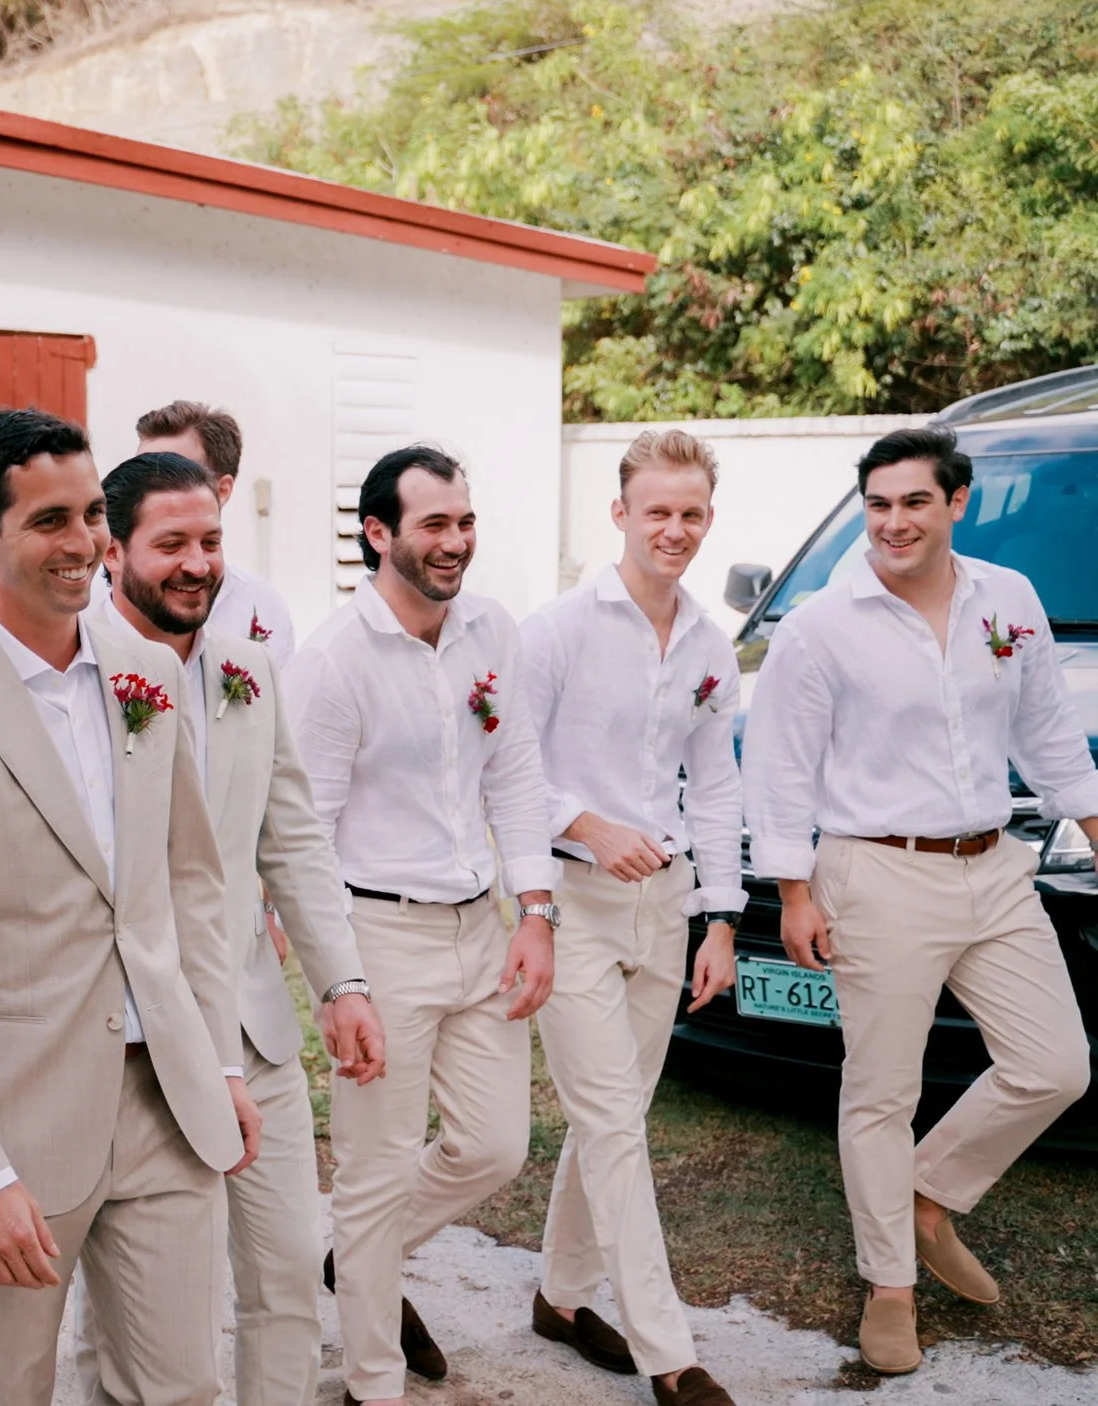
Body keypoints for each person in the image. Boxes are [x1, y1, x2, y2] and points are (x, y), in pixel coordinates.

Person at [0, 409, 260, 1406]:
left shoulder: (147, 674)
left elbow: (188, 884)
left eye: (90, 514)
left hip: (166, 1105)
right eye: (48, 520)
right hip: (14, 1125)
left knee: (181, 1390)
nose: (81, 541)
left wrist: (219, 1059)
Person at [743, 425, 1098, 1376]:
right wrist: (793, 892)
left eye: (912, 502)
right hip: (878, 874)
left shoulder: (1009, 599)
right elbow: (779, 770)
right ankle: (889, 1286)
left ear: (956, 503)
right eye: (877, 504)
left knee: (1056, 1065)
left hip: (995, 869)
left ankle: (927, 1200)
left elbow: (1050, 735)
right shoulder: (821, 625)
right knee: (881, 1093)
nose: (892, 522)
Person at [76, 450, 386, 1406]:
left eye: (210, 541)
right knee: (131, 1305)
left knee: (287, 1270)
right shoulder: (75, 675)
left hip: (254, 1023)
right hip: (134, 1038)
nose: (197, 563)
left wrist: (342, 982)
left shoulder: (248, 669)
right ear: (112, 551)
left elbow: (291, 837)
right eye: (170, 543)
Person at [283, 443, 559, 1406]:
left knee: (495, 1145)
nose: (455, 542)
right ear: (378, 533)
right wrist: (338, 981)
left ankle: (358, 1257)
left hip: (481, 926)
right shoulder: (332, 661)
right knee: (374, 1168)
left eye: (466, 522)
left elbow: (517, 773)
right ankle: (373, 1383)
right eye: (434, 524)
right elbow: (304, 833)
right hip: (378, 936)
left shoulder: (493, 630)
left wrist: (535, 911)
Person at [518, 430, 742, 1406]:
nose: (674, 530)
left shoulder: (709, 643)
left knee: (614, 1114)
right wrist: (587, 824)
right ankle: (669, 1352)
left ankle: (560, 1297)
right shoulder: (556, 629)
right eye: (657, 511)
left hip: (668, 905)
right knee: (612, 1121)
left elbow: (718, 786)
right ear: (619, 512)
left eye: (691, 513)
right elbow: (503, 766)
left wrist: (721, 917)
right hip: (572, 901)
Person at [88, 399, 297, 666]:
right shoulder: (82, 611)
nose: (197, 566)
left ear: (221, 490)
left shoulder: (264, 608)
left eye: (175, 469)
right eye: (141, 468)